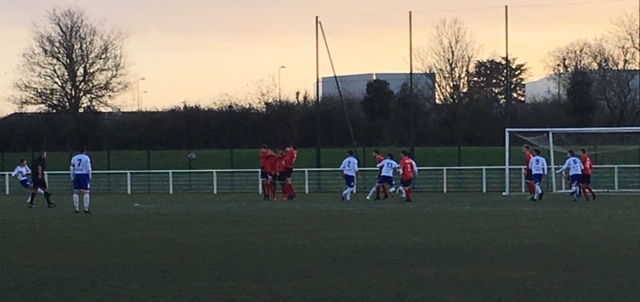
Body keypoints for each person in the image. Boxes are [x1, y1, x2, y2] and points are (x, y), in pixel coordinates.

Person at [71, 148, 92, 213]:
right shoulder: (86, 158)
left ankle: (76, 209)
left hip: (77, 175)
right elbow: (89, 168)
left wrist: (72, 177)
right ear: (85, 151)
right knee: (86, 192)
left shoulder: (74, 158)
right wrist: (90, 176)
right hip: (84, 175)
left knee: (76, 192)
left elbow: (71, 168)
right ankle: (86, 209)